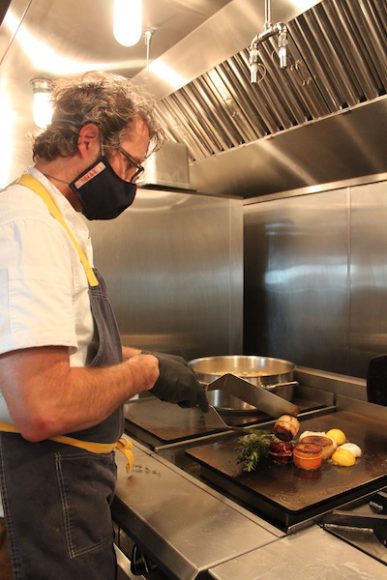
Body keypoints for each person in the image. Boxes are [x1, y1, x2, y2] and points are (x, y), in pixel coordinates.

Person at [0, 72, 208, 580]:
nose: (132, 183)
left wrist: (136, 357)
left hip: (66, 484)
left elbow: (66, 349)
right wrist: (146, 373)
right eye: (131, 165)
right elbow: (42, 407)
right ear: (89, 140)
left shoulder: (54, 217)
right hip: (47, 491)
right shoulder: (30, 226)